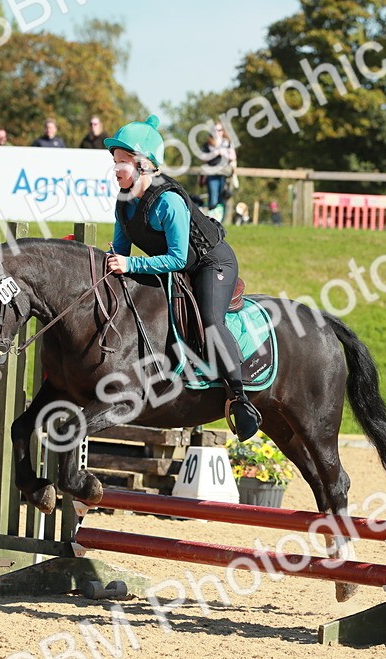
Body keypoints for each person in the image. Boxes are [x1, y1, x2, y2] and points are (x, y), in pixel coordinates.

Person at [102, 115, 262, 441]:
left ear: (144, 165)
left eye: (123, 162)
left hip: (209, 263)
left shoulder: (169, 201)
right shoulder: (124, 202)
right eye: (115, 162)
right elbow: (119, 252)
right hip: (176, 267)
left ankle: (240, 397)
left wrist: (130, 263)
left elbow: (176, 257)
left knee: (211, 320)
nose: (116, 169)